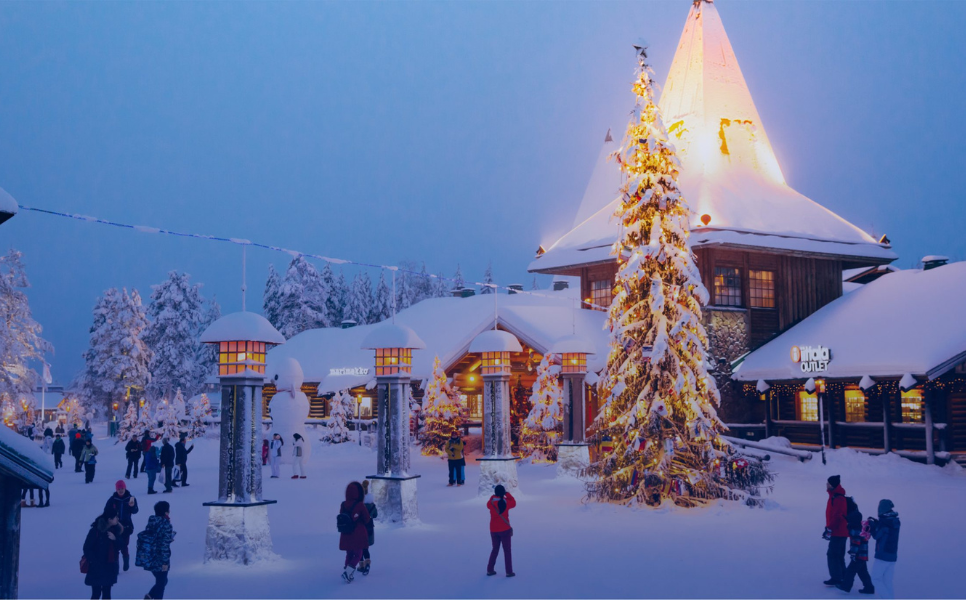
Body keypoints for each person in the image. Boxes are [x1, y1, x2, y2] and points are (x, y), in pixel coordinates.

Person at [136, 501, 176, 600]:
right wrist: (165, 562)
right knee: (161, 584)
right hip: (161, 559)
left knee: (162, 581)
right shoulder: (166, 524)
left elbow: (155, 538)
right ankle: (153, 597)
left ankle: (149, 596)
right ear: (166, 512)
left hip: (150, 557)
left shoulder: (152, 521)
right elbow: (163, 546)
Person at [82, 505, 122, 599]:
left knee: (107, 593)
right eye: (115, 517)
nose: (117, 519)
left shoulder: (115, 530)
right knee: (96, 593)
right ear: (109, 519)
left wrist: (115, 539)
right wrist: (95, 562)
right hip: (96, 568)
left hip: (109, 567)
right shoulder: (95, 531)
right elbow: (87, 548)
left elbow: (121, 546)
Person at [837, 497, 874, 594]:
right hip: (863, 556)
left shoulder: (855, 530)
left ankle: (846, 586)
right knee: (863, 572)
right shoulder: (861, 528)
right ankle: (869, 588)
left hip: (858, 556)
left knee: (850, 571)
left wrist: (853, 553)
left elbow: (856, 543)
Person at [338, 481, 371, 583]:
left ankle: (347, 571)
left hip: (346, 533)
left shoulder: (343, 504)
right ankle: (348, 573)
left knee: (349, 553)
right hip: (358, 534)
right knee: (358, 554)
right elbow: (367, 519)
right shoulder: (360, 505)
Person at [104, 480, 139, 572]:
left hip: (126, 526)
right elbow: (106, 512)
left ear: (125, 488)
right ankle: (116, 566)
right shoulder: (112, 500)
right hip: (114, 526)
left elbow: (135, 511)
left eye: (122, 488)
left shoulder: (130, 498)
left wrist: (132, 506)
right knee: (115, 546)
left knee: (124, 544)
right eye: (119, 489)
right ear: (116, 489)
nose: (121, 490)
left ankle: (126, 560)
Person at [868, 499, 901, 599]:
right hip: (892, 555)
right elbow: (885, 532)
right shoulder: (894, 520)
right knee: (887, 581)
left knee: (875, 579)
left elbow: (877, 535)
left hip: (883, 555)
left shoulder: (885, 523)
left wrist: (872, 527)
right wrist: (878, 524)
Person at [823, 475, 848, 586]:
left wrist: (830, 528)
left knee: (832, 554)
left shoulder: (838, 498)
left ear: (832, 485)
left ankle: (836, 578)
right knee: (838, 555)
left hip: (838, 532)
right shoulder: (835, 496)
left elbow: (837, 516)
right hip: (840, 531)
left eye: (828, 483)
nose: (826, 485)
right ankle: (843, 576)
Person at [486, 484, 516, 577]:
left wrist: (494, 495)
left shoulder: (491, 503)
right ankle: (509, 571)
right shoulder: (506, 502)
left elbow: (489, 502)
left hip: (493, 530)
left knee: (495, 549)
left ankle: (490, 569)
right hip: (505, 529)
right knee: (507, 551)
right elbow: (514, 502)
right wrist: (507, 493)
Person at [359, 480, 377, 575]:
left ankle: (361, 565)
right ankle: (367, 563)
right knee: (366, 547)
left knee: (359, 548)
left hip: (360, 528)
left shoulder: (359, 504)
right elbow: (375, 515)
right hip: (369, 527)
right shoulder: (371, 504)